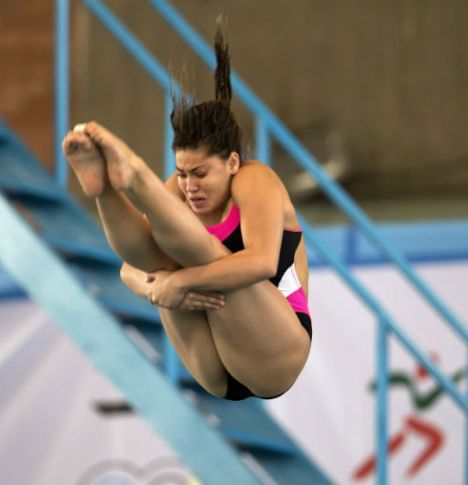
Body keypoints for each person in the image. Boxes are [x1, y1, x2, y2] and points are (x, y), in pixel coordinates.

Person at [61, 28, 312, 401]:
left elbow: (260, 262)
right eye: (181, 173)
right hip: (214, 370)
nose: (189, 185)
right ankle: (105, 191)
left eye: (200, 174)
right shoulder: (178, 190)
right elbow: (130, 268)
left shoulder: (255, 180)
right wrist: (157, 290)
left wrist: (180, 284)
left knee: (202, 257)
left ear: (231, 162)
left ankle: (133, 174)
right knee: (160, 263)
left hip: (276, 354)